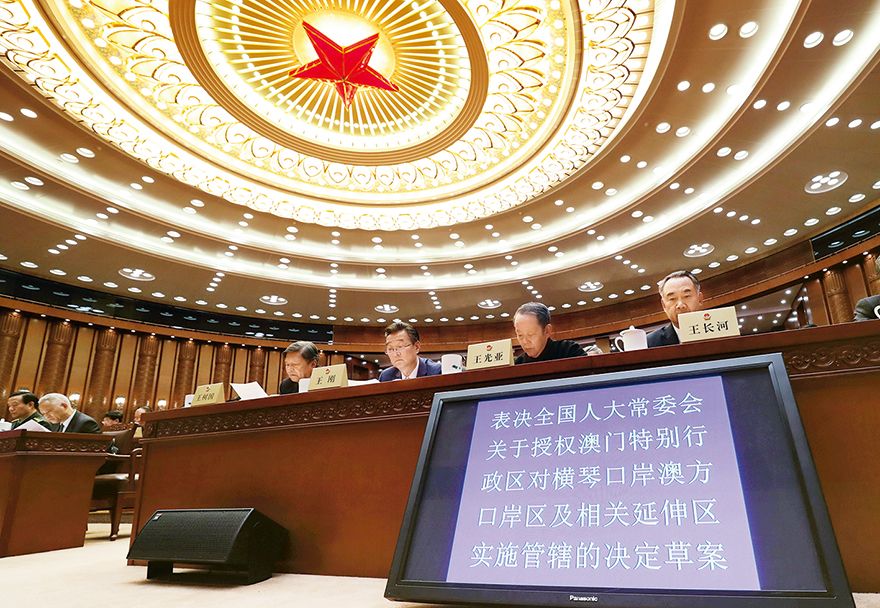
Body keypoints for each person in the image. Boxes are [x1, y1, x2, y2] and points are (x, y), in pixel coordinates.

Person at [513, 302, 587, 364]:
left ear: (547, 331)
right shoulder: (518, 364)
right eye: (520, 335)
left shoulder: (569, 352)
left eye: (530, 334)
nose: (525, 341)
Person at [647, 270, 704, 347]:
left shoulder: (718, 331)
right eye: (672, 298)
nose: (680, 305)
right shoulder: (650, 343)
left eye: (686, 296)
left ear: (700, 299)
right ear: (664, 305)